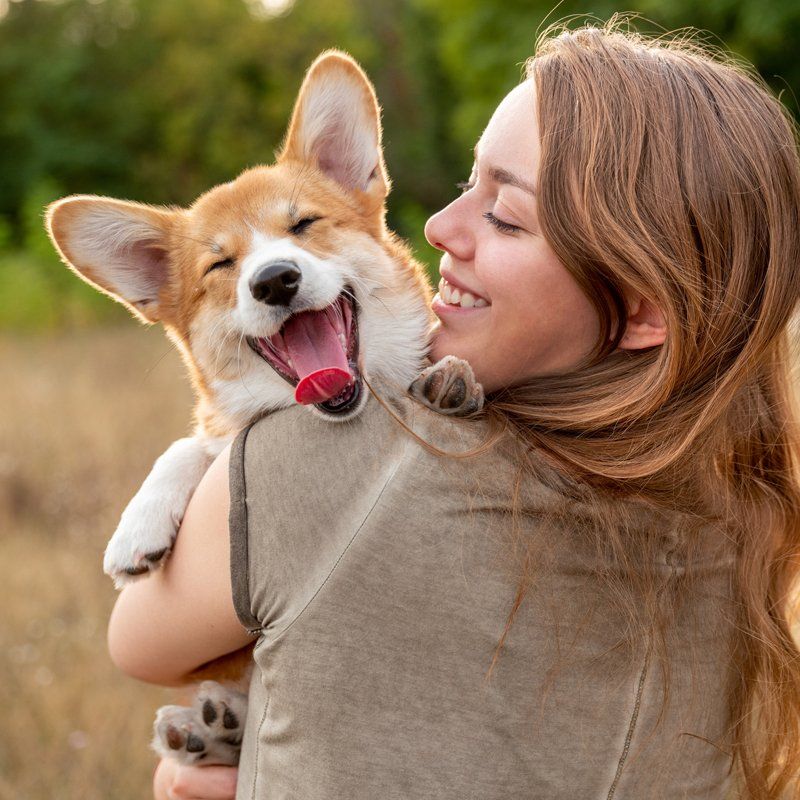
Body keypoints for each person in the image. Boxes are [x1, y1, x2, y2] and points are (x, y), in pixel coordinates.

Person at [108, 20, 800, 800]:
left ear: (641, 309)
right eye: (468, 184)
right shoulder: (748, 524)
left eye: (505, 215)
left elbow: (136, 644)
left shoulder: (318, 467)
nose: (435, 226)